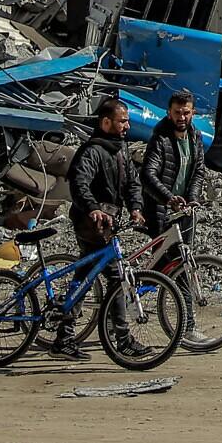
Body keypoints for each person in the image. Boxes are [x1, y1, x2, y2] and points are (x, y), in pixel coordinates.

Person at [48, 98, 146, 361]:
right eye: (122, 121)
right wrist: (93, 208)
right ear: (105, 123)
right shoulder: (91, 151)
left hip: (108, 222)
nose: (127, 126)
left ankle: (65, 335)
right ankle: (120, 338)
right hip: (90, 223)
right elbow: (80, 183)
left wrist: (136, 207)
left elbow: (132, 184)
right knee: (114, 277)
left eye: (127, 121)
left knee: (87, 274)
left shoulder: (121, 150)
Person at [140, 90, 212, 346]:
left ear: (193, 113)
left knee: (181, 264)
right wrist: (168, 198)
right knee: (178, 269)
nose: (182, 117)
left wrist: (191, 197)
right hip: (162, 211)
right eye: (177, 112)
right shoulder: (159, 139)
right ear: (169, 112)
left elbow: (198, 172)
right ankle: (187, 327)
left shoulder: (195, 136)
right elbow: (148, 175)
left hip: (185, 212)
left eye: (186, 112)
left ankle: (135, 301)